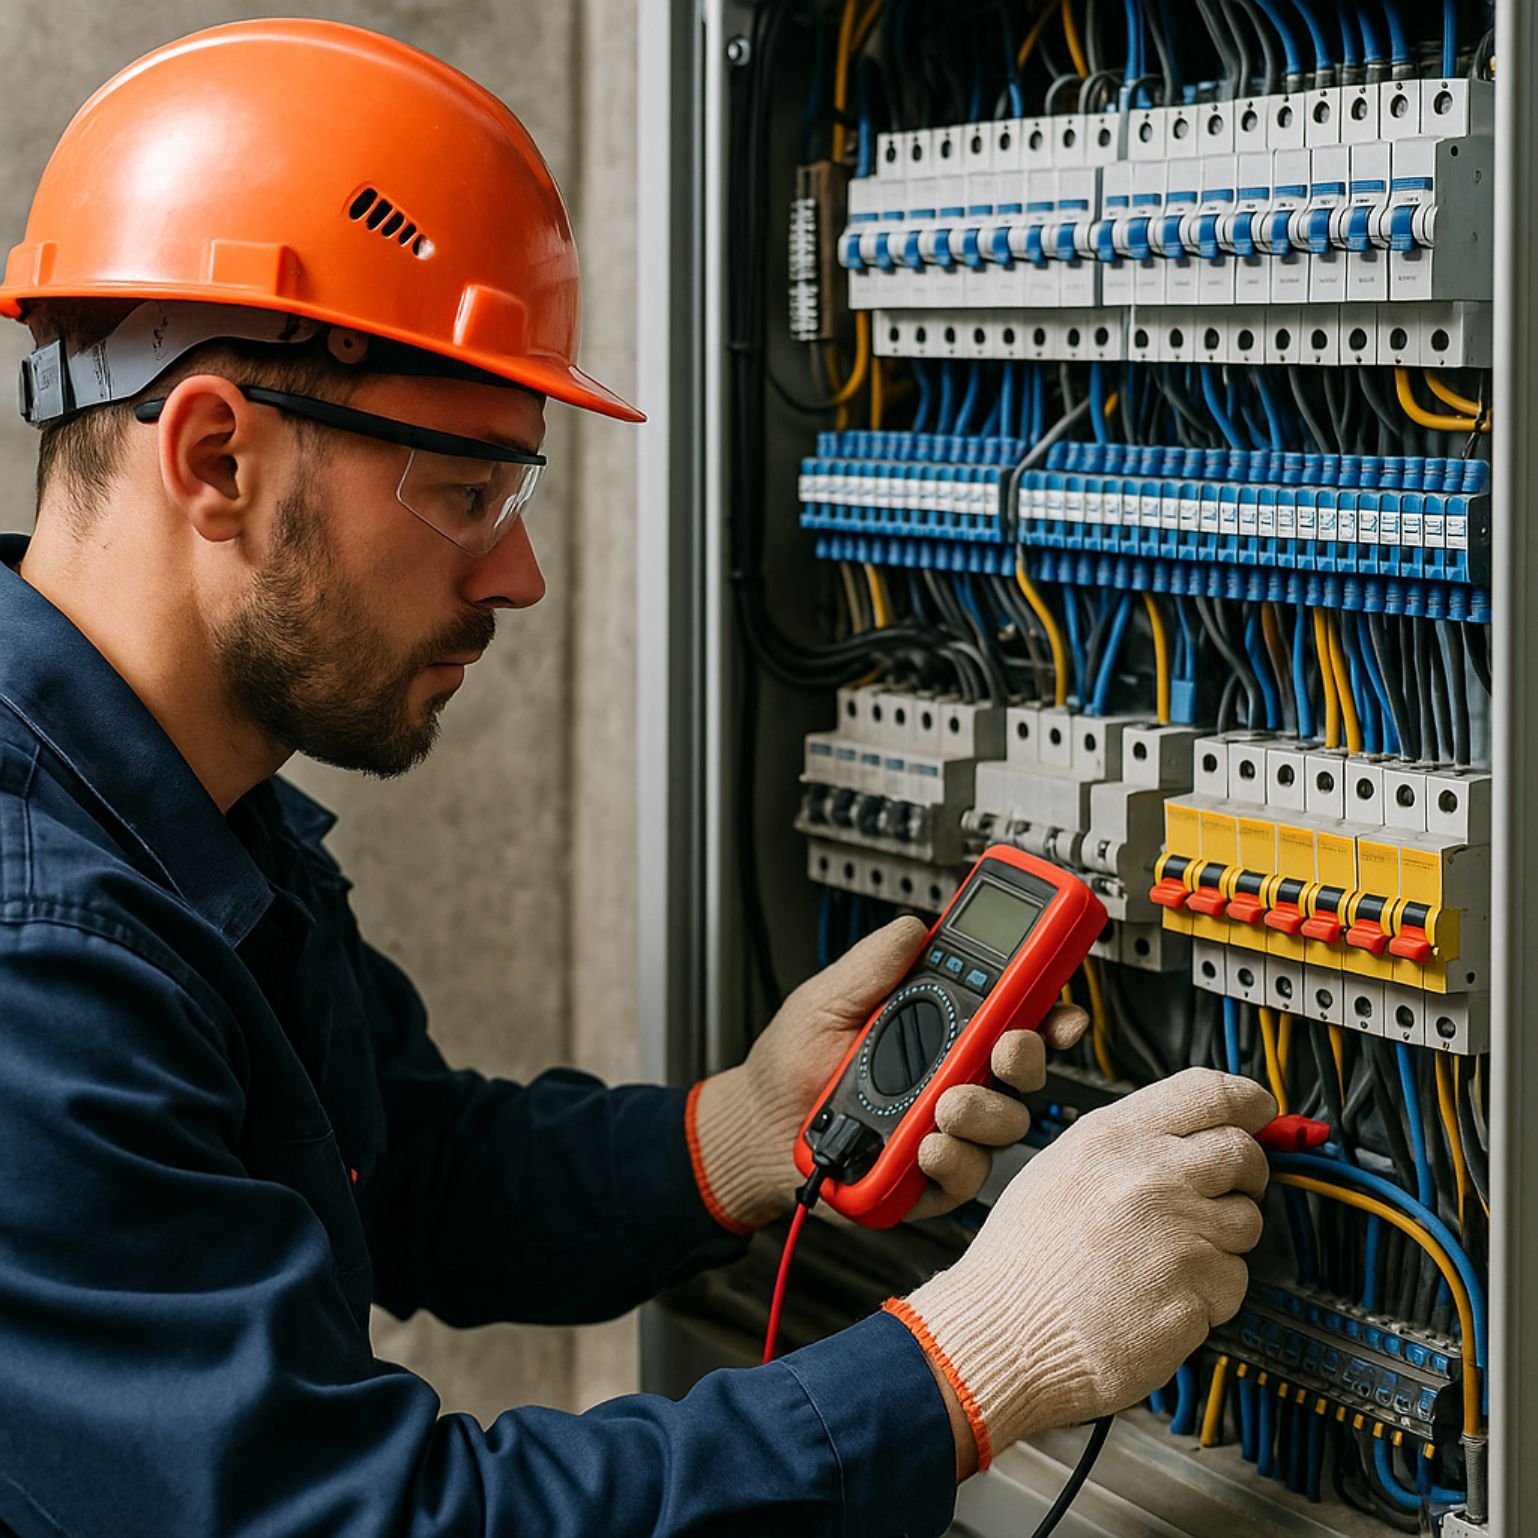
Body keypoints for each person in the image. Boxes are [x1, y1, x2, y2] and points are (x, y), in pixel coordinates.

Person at [0, 19, 1276, 1538]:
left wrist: (740, 1132)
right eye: (466, 491)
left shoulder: (174, 814)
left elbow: (401, 1169)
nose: (521, 570)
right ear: (215, 457)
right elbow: (359, 1521)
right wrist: (968, 1358)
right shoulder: (40, 957)